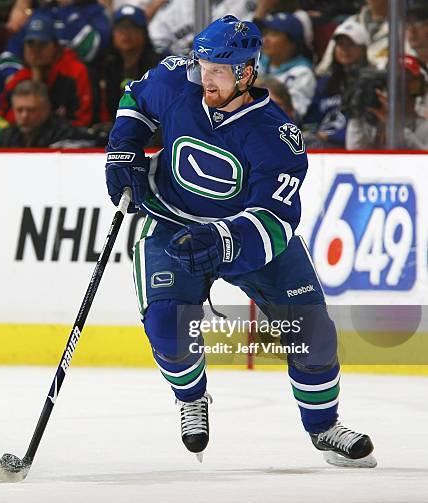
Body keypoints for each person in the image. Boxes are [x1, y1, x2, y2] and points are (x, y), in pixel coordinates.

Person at [105, 15, 376, 467]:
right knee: (167, 323)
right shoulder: (178, 78)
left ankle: (324, 427)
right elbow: (135, 97)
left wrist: (225, 238)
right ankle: (191, 398)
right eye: (203, 65)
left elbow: (275, 219)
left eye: (218, 70)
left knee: (313, 333)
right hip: (173, 222)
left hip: (246, 238)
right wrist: (123, 150)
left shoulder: (276, 136)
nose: (205, 78)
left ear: (247, 72)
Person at [0, 12, 94, 127]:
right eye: (31, 44)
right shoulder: (18, 80)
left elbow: (83, 119)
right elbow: (2, 121)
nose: (36, 50)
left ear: (55, 46)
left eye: (42, 44)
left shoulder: (75, 72)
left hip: (69, 140)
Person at [303, 20, 370, 148]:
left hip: (352, 145)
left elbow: (369, 127)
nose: (345, 50)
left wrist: (332, 136)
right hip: (318, 143)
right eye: (340, 44)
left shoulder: (371, 83)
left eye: (351, 45)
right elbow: (310, 121)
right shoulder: (325, 83)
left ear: (363, 49)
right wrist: (310, 133)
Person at [346, 54, 428, 150]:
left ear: (421, 86)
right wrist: (356, 115)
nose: (399, 85)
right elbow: (355, 154)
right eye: (393, 78)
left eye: (407, 79)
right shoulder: (373, 119)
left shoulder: (425, 126)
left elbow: (423, 160)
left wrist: (391, 123)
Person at [101, 5, 161, 121]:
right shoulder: (108, 66)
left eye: (132, 27)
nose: (126, 33)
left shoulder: (158, 65)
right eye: (121, 28)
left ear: (144, 32)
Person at [0, 80, 94, 147]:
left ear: (47, 109)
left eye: (32, 110)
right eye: (19, 110)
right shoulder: (7, 136)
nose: (24, 115)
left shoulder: (63, 135)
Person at [260, 12, 316, 120]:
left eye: (274, 34)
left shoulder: (302, 73)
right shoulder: (256, 64)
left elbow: (294, 114)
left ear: (292, 43)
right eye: (266, 33)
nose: (266, 39)